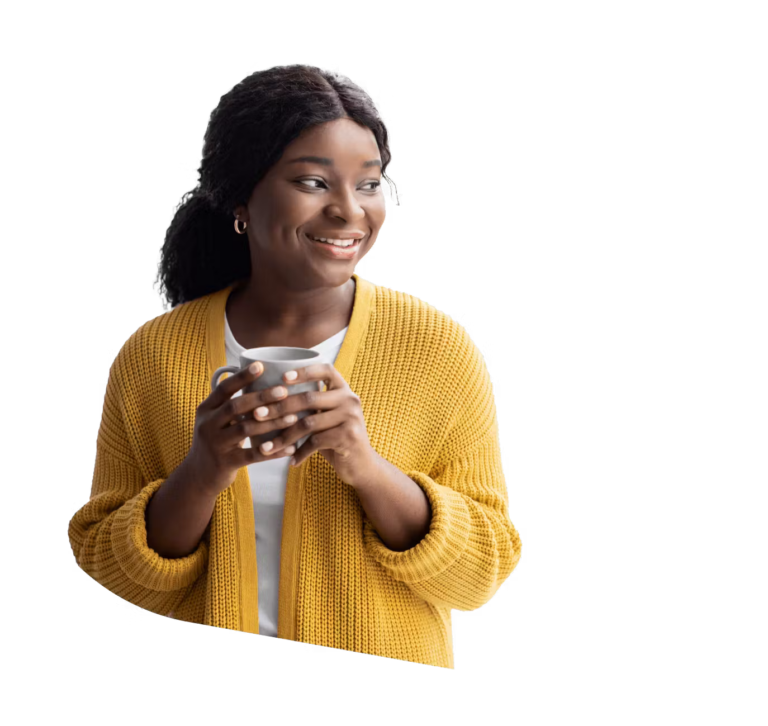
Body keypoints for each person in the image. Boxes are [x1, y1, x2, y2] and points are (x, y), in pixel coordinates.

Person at [67, 63, 523, 670]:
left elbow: (481, 574)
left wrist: (365, 465)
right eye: (312, 182)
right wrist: (203, 472)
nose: (349, 211)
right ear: (240, 199)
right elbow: (112, 566)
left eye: (368, 184)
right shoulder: (155, 354)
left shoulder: (437, 348)